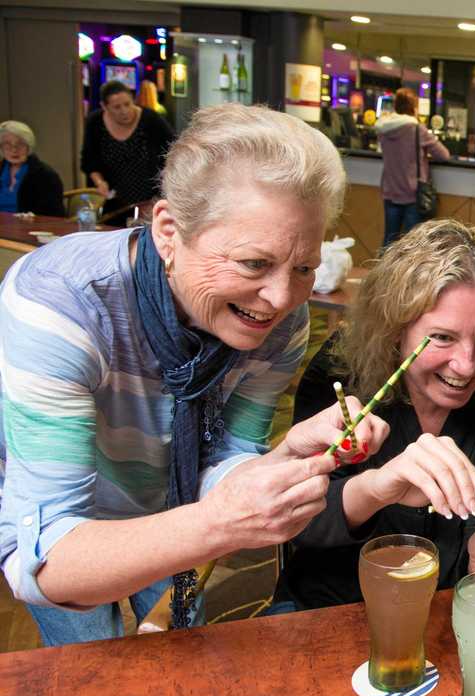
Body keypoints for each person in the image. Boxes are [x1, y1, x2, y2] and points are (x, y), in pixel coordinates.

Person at [0, 104, 381, 647]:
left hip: (173, 504)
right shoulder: (60, 302)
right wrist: (216, 524)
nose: (280, 298)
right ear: (168, 231)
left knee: (182, 649)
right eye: (253, 263)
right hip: (72, 527)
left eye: (304, 268)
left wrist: (286, 456)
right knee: (87, 663)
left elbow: (227, 459)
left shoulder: (280, 320)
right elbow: (42, 562)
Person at [274, 219, 475, 610]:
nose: (466, 366)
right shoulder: (340, 373)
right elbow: (299, 525)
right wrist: (377, 487)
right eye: (443, 337)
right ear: (394, 329)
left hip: (444, 605)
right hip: (326, 605)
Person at [80, 80, 174, 225]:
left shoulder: (151, 120)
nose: (124, 111)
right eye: (117, 107)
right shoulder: (95, 123)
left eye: (127, 104)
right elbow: (89, 161)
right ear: (104, 107)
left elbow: (173, 151)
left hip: (150, 200)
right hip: (113, 201)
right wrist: (100, 182)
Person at [376, 88, 450, 246]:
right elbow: (444, 155)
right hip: (412, 194)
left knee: (389, 241)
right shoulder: (417, 129)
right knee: (411, 246)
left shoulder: (383, 129)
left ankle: (384, 271)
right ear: (414, 108)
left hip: (390, 190)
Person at [0, 120, 64, 216]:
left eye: (20, 144)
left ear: (29, 147)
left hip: (29, 228)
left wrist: (34, 218)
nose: (14, 149)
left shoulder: (46, 175)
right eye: (7, 144)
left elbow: (55, 215)